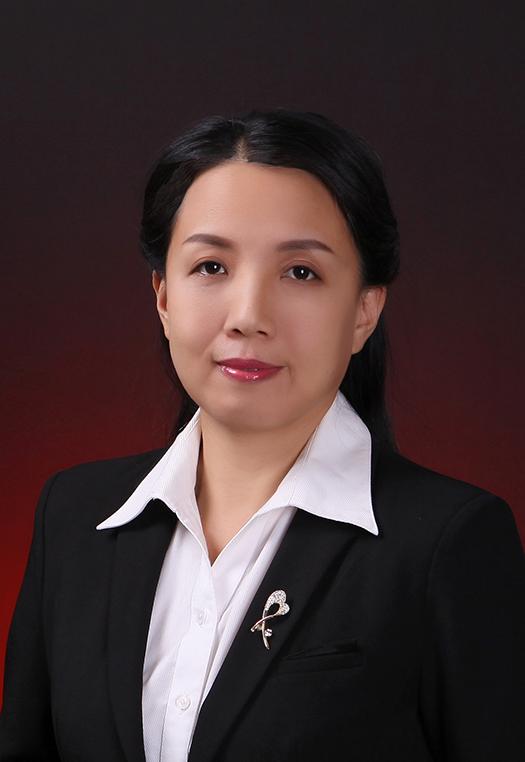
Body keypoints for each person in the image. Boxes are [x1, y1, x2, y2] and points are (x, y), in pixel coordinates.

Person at [1, 108, 524, 762]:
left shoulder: (450, 542)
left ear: (364, 310)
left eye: (300, 272)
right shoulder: (74, 516)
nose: (248, 316)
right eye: (211, 267)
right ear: (162, 296)